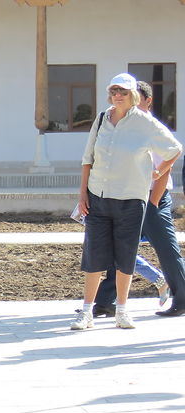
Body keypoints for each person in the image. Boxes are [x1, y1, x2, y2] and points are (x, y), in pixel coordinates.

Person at [71, 73, 181, 330]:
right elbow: (88, 158)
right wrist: (83, 194)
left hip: (131, 200)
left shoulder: (144, 123)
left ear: (133, 95)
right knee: (94, 256)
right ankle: (86, 312)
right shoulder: (101, 119)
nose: (118, 96)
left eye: (123, 92)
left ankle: (122, 310)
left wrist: (157, 172)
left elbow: (174, 149)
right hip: (99, 196)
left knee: (125, 258)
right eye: (114, 91)